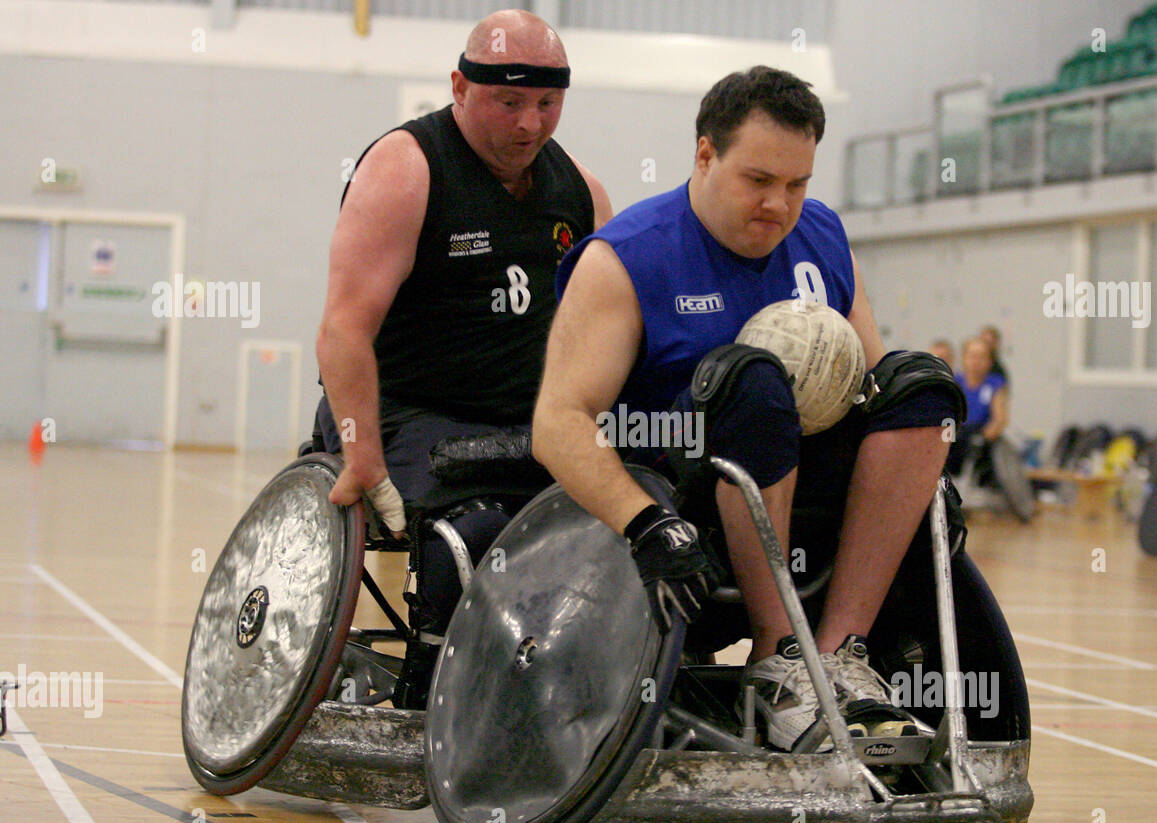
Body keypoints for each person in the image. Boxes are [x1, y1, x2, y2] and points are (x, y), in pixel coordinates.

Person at [532, 67, 965, 751]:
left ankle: (839, 654)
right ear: (705, 155)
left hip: (810, 492)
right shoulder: (627, 257)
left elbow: (872, 388)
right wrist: (642, 523)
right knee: (753, 380)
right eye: (759, 181)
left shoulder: (822, 236)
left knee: (921, 386)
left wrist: (925, 480)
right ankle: (778, 658)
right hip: (681, 506)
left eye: (798, 185)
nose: (779, 205)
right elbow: (557, 424)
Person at [313, 9, 613, 649]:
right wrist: (360, 455)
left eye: (546, 102)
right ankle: (443, 697)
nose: (529, 123)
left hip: (531, 427)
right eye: (508, 101)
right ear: (459, 87)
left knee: (631, 522)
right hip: (407, 412)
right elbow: (343, 330)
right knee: (474, 538)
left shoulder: (582, 192)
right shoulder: (406, 167)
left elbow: (608, 338)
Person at [946, 336, 1009, 478]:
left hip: (979, 437)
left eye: (981, 357)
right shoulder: (954, 382)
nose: (976, 361)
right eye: (972, 356)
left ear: (989, 361)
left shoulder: (995, 384)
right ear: (963, 358)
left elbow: (1000, 420)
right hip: (955, 434)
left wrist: (982, 439)